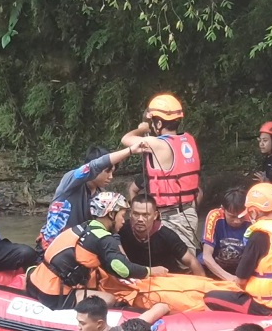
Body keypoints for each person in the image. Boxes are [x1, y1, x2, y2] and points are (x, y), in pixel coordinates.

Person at [26, 192, 169, 310]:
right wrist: (151, 270)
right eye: (122, 215)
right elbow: (124, 269)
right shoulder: (104, 239)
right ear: (111, 215)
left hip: (34, 282)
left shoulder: (86, 226)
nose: (123, 221)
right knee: (109, 299)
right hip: (51, 294)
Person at [204, 183, 272, 315]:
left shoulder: (259, 235)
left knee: (209, 297)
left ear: (253, 211)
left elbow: (240, 281)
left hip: (266, 306)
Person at [121, 94, 201, 254]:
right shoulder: (188, 140)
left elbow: (126, 139)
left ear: (158, 122)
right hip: (187, 212)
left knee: (180, 267)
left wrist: (142, 129)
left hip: (173, 218)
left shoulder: (157, 144)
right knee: (181, 262)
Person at [36, 143, 148, 251]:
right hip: (53, 246)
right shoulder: (70, 182)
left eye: (113, 172)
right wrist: (130, 150)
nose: (111, 177)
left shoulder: (101, 196)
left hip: (78, 247)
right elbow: (94, 166)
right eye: (107, 171)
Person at [118, 194, 205, 275]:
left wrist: (205, 287)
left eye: (145, 215)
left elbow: (191, 261)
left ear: (155, 215)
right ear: (130, 214)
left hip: (166, 281)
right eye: (136, 214)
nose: (140, 219)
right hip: (136, 279)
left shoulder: (166, 235)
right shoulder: (122, 230)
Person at [198, 187, 251, 281]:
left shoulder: (251, 219)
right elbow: (207, 256)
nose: (237, 221)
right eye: (232, 216)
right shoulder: (215, 216)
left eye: (241, 216)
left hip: (240, 269)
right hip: (214, 267)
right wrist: (229, 278)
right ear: (223, 209)